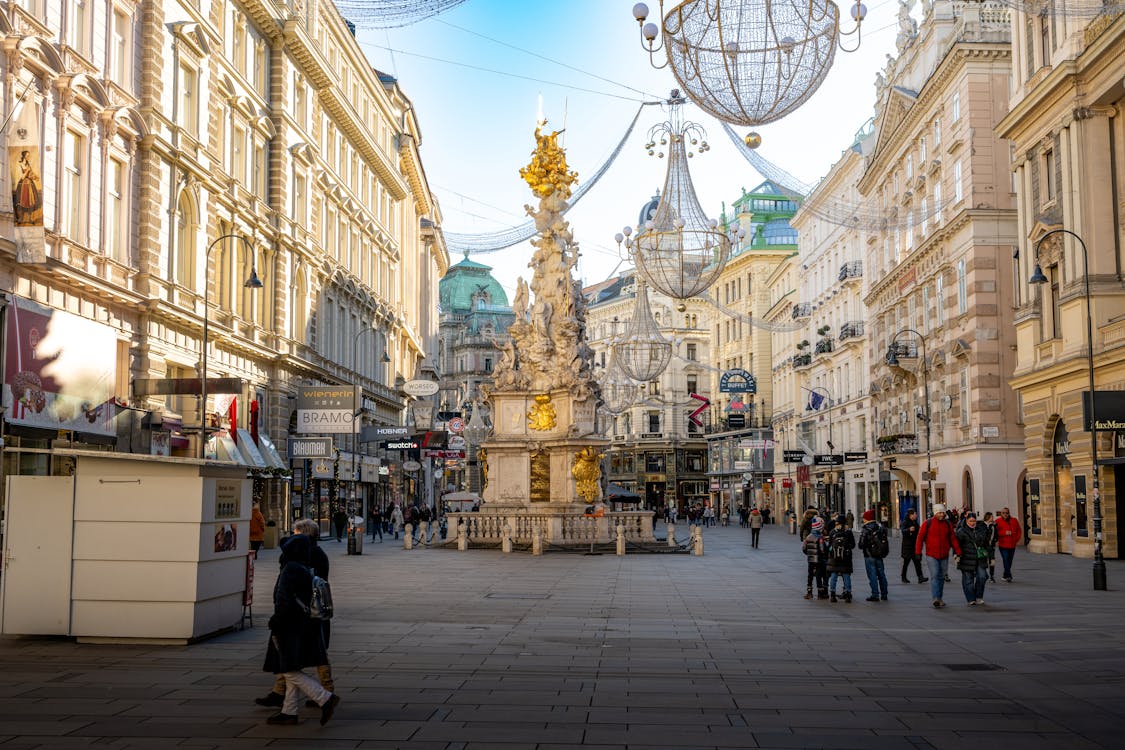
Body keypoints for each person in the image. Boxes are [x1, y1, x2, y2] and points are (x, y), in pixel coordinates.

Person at [259, 524, 340, 725]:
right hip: (302, 623)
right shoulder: (303, 567)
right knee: (290, 665)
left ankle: (325, 698)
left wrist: (276, 621)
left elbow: (284, 599)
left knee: (288, 669)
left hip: (289, 625)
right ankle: (289, 711)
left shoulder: (291, 569)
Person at [916, 504, 961, 608]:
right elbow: (920, 538)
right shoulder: (927, 523)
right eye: (939, 513)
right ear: (935, 513)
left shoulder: (947, 524)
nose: (942, 515)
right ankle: (935, 598)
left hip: (944, 555)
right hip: (931, 555)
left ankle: (939, 598)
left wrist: (958, 551)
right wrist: (918, 552)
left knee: (941, 576)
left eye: (943, 513)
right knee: (935, 575)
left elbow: (952, 538)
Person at [955, 511, 991, 605]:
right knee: (968, 579)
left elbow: (987, 543)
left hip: (980, 557)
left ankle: (979, 596)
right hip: (966, 558)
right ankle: (971, 598)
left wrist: (991, 556)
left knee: (982, 576)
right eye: (970, 521)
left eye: (974, 520)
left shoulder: (981, 529)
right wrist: (956, 555)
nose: (972, 523)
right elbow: (956, 545)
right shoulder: (961, 531)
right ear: (966, 520)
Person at [858, 509, 889, 601]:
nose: (863, 519)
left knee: (872, 575)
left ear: (867, 519)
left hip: (869, 555)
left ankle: (875, 594)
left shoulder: (866, 528)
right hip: (879, 554)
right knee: (881, 574)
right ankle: (884, 594)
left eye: (864, 518)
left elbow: (861, 544)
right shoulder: (880, 527)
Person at [825, 513, 855, 603]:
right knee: (846, 576)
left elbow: (830, 545)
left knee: (834, 576)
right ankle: (848, 594)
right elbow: (853, 545)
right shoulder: (848, 532)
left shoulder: (832, 532)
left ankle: (833, 594)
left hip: (834, 558)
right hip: (846, 558)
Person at [802, 517, 829, 600]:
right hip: (819, 560)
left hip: (810, 559)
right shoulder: (820, 538)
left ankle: (809, 592)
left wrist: (809, 554)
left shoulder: (808, 537)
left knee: (810, 575)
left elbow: (804, 548)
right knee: (818, 575)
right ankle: (820, 593)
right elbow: (822, 549)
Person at [899, 508, 928, 583]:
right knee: (906, 563)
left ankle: (920, 577)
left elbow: (919, 531)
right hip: (907, 546)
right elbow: (903, 531)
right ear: (911, 515)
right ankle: (903, 576)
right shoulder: (905, 522)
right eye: (915, 514)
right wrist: (909, 529)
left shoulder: (915, 522)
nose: (916, 515)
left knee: (917, 562)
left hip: (914, 546)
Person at [995, 506, 1022, 582]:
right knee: (1005, 559)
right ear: (1001, 513)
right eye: (1003, 513)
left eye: (1006, 513)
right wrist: (1004, 533)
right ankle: (1009, 575)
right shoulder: (997, 521)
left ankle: (1005, 575)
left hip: (1012, 544)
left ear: (1009, 513)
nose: (1005, 514)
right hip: (1003, 544)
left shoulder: (1014, 520)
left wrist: (1016, 539)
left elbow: (1019, 530)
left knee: (1009, 561)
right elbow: (995, 533)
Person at [982, 511, 998, 582]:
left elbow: (996, 535)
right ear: (988, 517)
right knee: (984, 561)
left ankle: (991, 576)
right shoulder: (982, 525)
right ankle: (984, 574)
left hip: (991, 547)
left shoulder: (993, 526)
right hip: (983, 547)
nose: (993, 518)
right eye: (991, 517)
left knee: (992, 561)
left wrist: (995, 541)